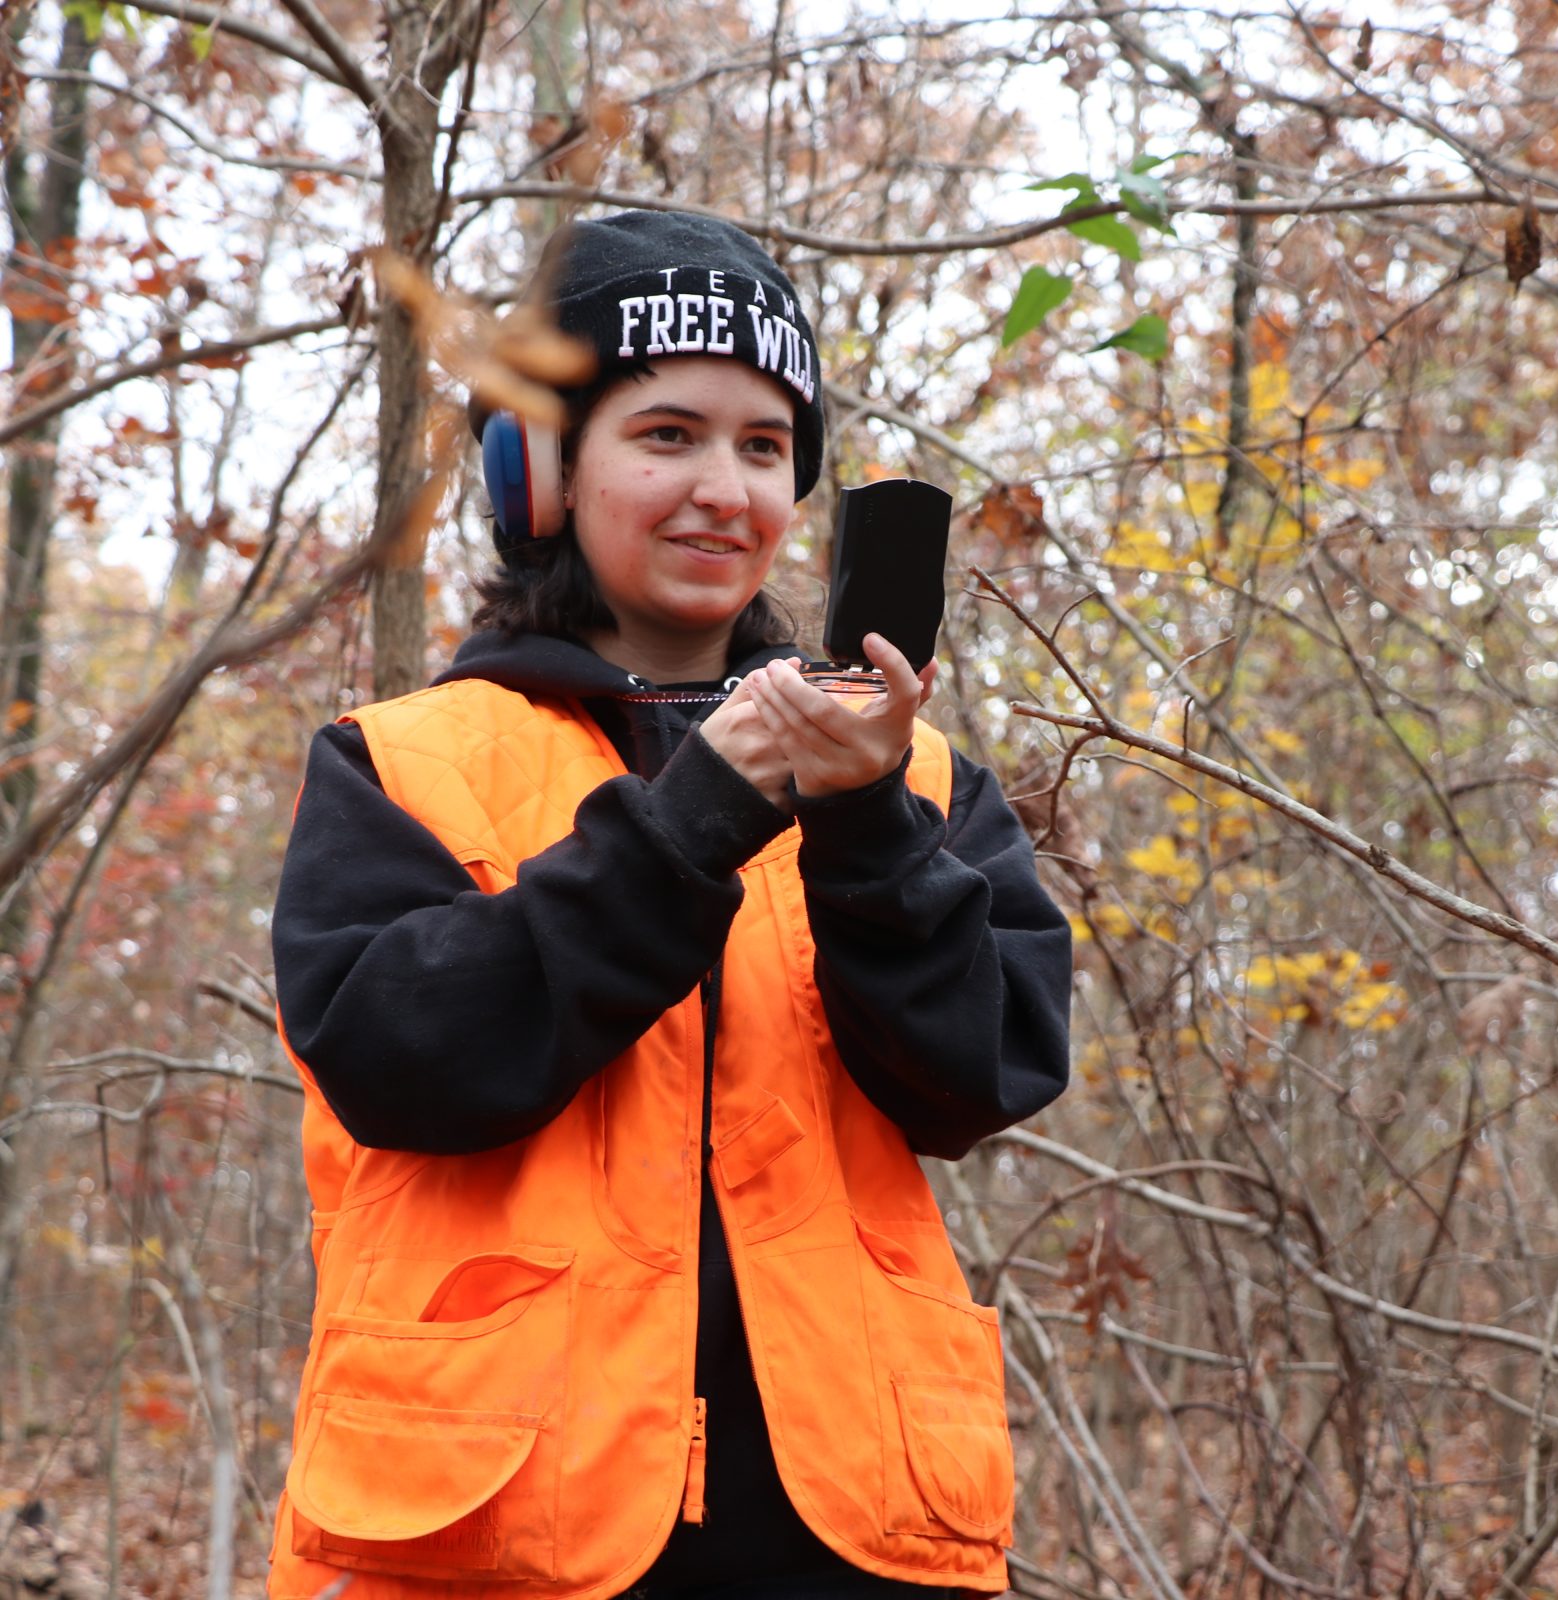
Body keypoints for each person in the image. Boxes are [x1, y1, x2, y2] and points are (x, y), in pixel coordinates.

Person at [268, 210, 1072, 1600]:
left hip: (858, 1536)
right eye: (666, 435)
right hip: (489, 1537)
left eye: (765, 449)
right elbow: (404, 1063)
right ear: (541, 468)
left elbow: (984, 1074)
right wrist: (696, 818)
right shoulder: (402, 761)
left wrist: (870, 827)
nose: (725, 488)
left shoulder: (913, 775)